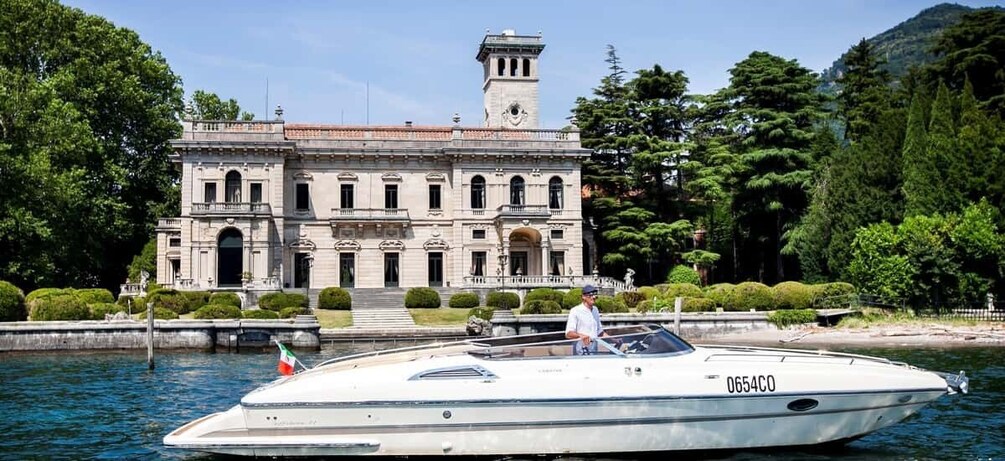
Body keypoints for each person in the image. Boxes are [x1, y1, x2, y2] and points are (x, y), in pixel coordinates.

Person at [565, 284, 609, 355]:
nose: (594, 297)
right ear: (583, 297)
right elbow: (568, 334)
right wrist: (581, 336)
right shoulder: (575, 311)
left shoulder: (595, 310)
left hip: (594, 349)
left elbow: (599, 332)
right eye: (590, 295)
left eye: (595, 294)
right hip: (581, 351)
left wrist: (614, 339)